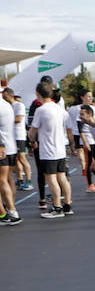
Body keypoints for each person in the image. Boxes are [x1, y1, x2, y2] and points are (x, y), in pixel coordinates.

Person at [28, 80, 74, 218]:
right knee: (62, 178)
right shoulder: (60, 110)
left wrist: (31, 140)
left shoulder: (41, 110)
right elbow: (69, 129)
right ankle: (67, 205)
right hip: (61, 148)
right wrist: (72, 144)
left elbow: (32, 131)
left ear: (38, 94)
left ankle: (57, 207)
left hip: (48, 151)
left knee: (51, 179)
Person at [2, 89, 32, 191]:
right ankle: (20, 179)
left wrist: (5, 121)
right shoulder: (7, 107)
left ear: (11, 96)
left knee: (22, 158)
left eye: (5, 96)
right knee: (15, 160)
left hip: (19, 135)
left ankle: (28, 181)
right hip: (11, 137)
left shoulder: (19, 105)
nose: (4, 98)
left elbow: (19, 119)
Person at [0, 89, 21, 225]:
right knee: (8, 179)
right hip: (10, 146)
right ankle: (11, 208)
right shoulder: (7, 104)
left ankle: (7, 213)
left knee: (2, 180)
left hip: (3, 147)